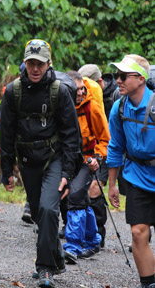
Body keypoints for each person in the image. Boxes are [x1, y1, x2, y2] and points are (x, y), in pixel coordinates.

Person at [0, 39, 81, 287]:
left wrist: (68, 171)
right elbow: (7, 133)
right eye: (31, 63)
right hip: (27, 161)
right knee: (38, 213)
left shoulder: (60, 91)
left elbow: (71, 135)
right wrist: (7, 170)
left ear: (49, 64)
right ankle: (56, 259)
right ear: (24, 63)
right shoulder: (13, 92)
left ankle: (44, 268)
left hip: (53, 159)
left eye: (40, 64)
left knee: (48, 209)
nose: (35, 69)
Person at [106, 54, 155, 288]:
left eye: (123, 76)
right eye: (117, 75)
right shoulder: (119, 107)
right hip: (136, 175)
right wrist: (112, 184)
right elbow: (115, 146)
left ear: (140, 79)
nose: (118, 80)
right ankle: (149, 283)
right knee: (138, 232)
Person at [61, 71, 109, 264]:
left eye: (82, 88)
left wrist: (98, 156)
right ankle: (92, 240)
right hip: (66, 159)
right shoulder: (62, 106)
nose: (81, 92)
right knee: (80, 199)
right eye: (77, 89)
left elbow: (105, 138)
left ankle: (72, 246)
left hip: (87, 160)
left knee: (74, 198)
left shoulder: (92, 108)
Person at [77, 63, 114, 246]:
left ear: (99, 82)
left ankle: (99, 233)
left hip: (109, 148)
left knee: (94, 188)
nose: (83, 92)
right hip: (90, 150)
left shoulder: (114, 97)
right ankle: (82, 230)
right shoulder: (82, 99)